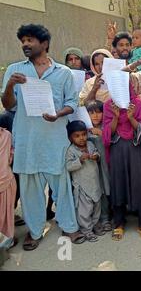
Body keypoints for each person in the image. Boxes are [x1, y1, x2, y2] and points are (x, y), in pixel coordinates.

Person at [1, 24, 84, 250]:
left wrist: (58, 114)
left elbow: (71, 103)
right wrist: (10, 85)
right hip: (27, 140)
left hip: (55, 139)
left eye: (30, 40)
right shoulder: (15, 70)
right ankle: (35, 231)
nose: (25, 44)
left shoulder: (63, 72)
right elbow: (8, 105)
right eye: (23, 41)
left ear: (44, 44)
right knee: (29, 189)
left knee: (62, 186)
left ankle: (69, 225)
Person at [102, 84, 141, 242]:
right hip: (117, 148)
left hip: (134, 148)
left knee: (138, 183)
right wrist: (116, 117)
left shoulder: (137, 104)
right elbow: (107, 132)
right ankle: (119, 222)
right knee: (118, 182)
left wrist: (131, 117)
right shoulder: (108, 105)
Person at [66, 121, 102, 242]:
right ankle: (87, 230)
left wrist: (96, 156)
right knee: (84, 210)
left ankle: (95, 224)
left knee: (97, 205)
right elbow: (68, 166)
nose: (81, 138)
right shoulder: (71, 150)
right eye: (77, 136)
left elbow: (97, 152)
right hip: (82, 186)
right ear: (70, 137)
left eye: (83, 134)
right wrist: (79, 160)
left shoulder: (90, 144)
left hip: (95, 183)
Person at [86, 100, 112, 234]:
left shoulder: (107, 127)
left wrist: (102, 133)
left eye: (98, 112)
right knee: (97, 191)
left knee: (107, 190)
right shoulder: (85, 131)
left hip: (106, 167)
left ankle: (107, 218)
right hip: (92, 169)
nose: (95, 116)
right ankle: (99, 219)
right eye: (91, 113)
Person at [0, 127, 17, 251]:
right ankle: (6, 240)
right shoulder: (6, 135)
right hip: (6, 179)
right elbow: (11, 156)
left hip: (6, 181)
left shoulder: (7, 135)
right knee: (6, 214)